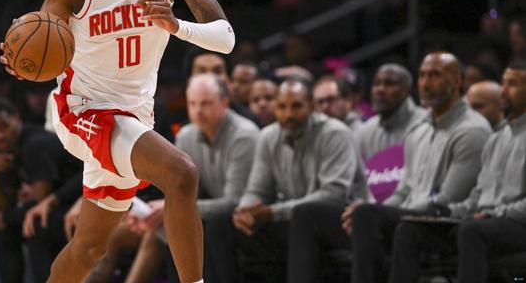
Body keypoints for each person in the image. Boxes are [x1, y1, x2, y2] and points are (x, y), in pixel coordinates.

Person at [0, 0, 235, 283]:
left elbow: (225, 38)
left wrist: (176, 25)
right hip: (82, 109)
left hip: (135, 116)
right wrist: (23, 60)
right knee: (181, 174)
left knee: (90, 248)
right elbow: (45, 38)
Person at [347, 52, 491, 283]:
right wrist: (381, 211)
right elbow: (404, 190)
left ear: (457, 81)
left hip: (446, 223)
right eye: (422, 75)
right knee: (344, 213)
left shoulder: (472, 130)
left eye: (435, 75)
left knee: (368, 216)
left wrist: (382, 215)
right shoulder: (419, 130)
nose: (425, 83)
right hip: (413, 216)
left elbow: (446, 200)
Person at [206, 78, 363, 283]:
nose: (289, 114)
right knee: (220, 223)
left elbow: (334, 195)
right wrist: (245, 211)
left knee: (305, 215)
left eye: (296, 106)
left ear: (311, 106)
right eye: (282, 107)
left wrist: (273, 212)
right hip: (292, 222)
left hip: (341, 223)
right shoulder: (268, 136)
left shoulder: (335, 134)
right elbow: (258, 190)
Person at [287, 63, 426, 283]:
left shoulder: (423, 126)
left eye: (389, 84)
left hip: (404, 214)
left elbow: (413, 188)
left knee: (365, 215)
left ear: (408, 90)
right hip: (367, 213)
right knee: (307, 213)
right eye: (377, 84)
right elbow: (359, 185)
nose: (380, 89)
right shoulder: (364, 131)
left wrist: (373, 209)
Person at [390, 62, 526, 283]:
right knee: (411, 228)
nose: (503, 91)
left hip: (516, 224)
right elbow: (478, 195)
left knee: (472, 231)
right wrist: (446, 211)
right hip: (483, 223)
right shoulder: (496, 139)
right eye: (503, 83)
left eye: (513, 84)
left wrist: (494, 214)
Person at [142, 73, 258, 282]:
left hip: (249, 218)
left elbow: (235, 202)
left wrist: (175, 209)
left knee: (215, 224)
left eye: (205, 103)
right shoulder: (186, 135)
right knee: (170, 224)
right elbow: (179, 190)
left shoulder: (244, 136)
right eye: (192, 103)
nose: (198, 111)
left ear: (225, 103)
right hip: (214, 213)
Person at [0, 98, 82, 283]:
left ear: (17, 118)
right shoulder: (5, 152)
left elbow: (40, 204)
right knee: (2, 230)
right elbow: (5, 206)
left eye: (3, 127)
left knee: (36, 224)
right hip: (59, 204)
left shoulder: (34, 145)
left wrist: (5, 218)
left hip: (83, 201)